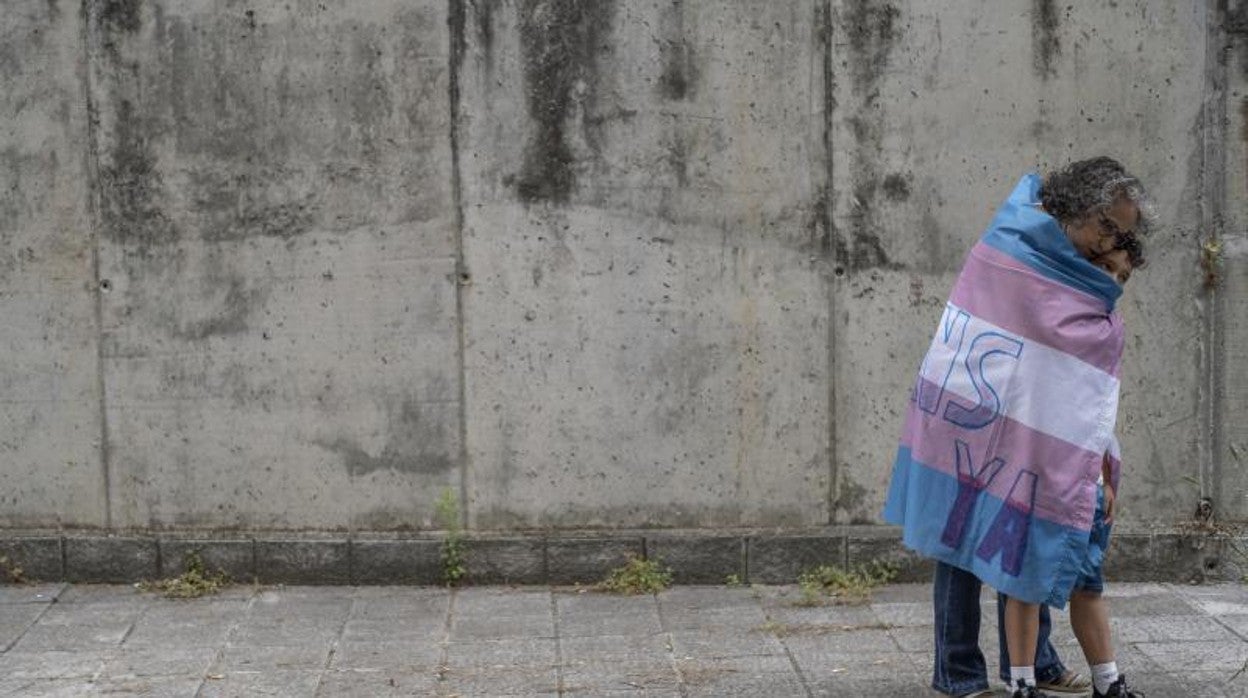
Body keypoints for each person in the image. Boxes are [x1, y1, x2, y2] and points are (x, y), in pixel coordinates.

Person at [881, 157, 1152, 698]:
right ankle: (957, 672)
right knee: (961, 539)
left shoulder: (1086, 275)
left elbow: (1073, 377)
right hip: (972, 415)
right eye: (1111, 226)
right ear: (1078, 211)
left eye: (1123, 232)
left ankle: (1034, 665)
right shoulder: (1012, 245)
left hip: (1041, 422)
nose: (1116, 239)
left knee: (1033, 523)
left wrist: (1094, 452)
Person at [1001, 162, 1149, 698]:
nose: (1112, 283)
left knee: (1088, 581)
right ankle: (1021, 682)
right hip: (1032, 469)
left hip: (1084, 477)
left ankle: (1109, 681)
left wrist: (1109, 476)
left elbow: (1100, 412)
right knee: (1022, 581)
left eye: (1123, 277)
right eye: (1105, 264)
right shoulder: (1044, 303)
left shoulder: (1108, 330)